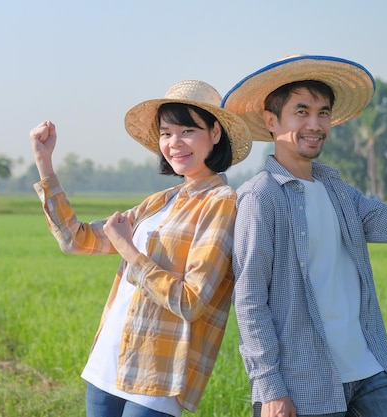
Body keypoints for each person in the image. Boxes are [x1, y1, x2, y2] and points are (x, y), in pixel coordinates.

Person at [222, 55, 387, 416]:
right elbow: (249, 300)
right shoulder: (261, 197)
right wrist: (270, 390)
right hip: (305, 381)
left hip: (369, 369)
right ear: (271, 120)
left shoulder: (338, 190)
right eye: (302, 111)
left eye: (323, 113)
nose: (315, 124)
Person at [29, 79, 252, 417]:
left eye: (188, 130)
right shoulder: (160, 201)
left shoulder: (221, 203)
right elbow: (74, 239)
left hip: (158, 373)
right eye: (166, 133)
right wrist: (44, 162)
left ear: (216, 133)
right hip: (109, 357)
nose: (174, 143)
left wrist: (129, 250)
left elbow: (191, 301)